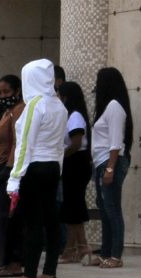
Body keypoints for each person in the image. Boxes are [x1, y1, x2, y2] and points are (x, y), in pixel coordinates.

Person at [4, 59, 67, 278]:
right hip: (52, 166)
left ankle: (28, 273)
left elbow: (24, 145)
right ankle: (49, 271)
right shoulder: (58, 105)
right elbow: (61, 143)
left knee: (32, 222)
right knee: (50, 220)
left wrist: (14, 178)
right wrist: (58, 168)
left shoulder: (35, 105)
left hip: (35, 167)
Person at [91, 66, 133, 269]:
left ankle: (116, 255)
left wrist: (110, 168)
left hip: (110, 163)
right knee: (105, 210)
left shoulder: (115, 106)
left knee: (112, 209)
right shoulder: (108, 107)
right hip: (102, 162)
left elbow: (116, 142)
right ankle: (105, 252)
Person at [0, 74, 25, 277]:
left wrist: (8, 169)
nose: (2, 96)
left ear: (17, 91)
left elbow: (17, 142)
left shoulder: (18, 111)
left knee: (6, 217)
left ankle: (12, 261)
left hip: (6, 168)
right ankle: (5, 259)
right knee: (0, 218)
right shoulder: (8, 112)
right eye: (0, 92)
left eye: (7, 92)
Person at [56, 81, 93, 263]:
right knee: (73, 206)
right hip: (73, 163)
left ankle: (74, 248)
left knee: (73, 204)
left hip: (76, 162)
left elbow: (76, 143)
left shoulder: (75, 116)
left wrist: (59, 156)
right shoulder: (70, 116)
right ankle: (79, 246)